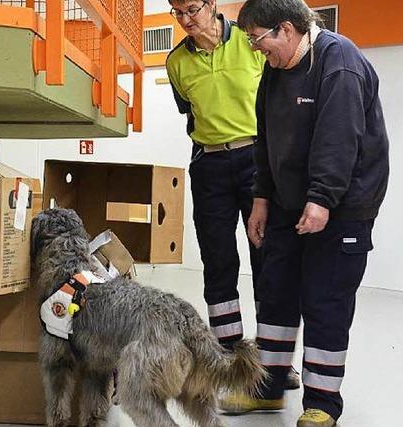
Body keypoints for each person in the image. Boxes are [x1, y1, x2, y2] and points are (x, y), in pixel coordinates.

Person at [235, 0, 390, 426]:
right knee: (277, 292)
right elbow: (264, 138)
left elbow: (340, 139)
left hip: (341, 206)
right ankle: (267, 387)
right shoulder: (276, 69)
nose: (255, 49)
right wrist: (261, 198)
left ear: (286, 29)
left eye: (258, 40)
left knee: (326, 300)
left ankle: (322, 403)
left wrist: (321, 199)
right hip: (289, 202)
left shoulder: (339, 62)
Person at [165, 0, 301, 398]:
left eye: (192, 9)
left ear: (211, 4)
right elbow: (191, 113)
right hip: (209, 165)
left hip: (258, 160)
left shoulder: (248, 40)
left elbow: (277, 100)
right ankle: (228, 360)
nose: (186, 20)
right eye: (177, 12)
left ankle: (273, 362)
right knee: (218, 262)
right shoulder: (176, 63)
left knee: (269, 260)